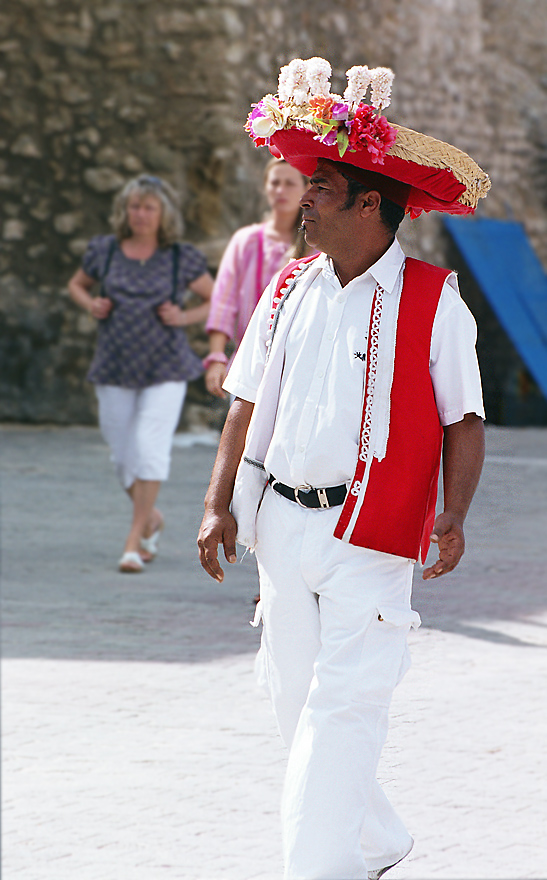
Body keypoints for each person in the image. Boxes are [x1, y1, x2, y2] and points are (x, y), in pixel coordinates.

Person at [197, 58, 491, 879]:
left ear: (370, 204)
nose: (302, 198)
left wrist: (453, 513)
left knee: (342, 710)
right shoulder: (287, 288)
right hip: (283, 524)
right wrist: (219, 502)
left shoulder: (436, 298)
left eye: (321, 186)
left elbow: (462, 420)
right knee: (294, 703)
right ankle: (374, 838)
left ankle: (319, 868)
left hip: (373, 532)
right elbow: (245, 400)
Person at [69, 174, 214, 573]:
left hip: (164, 366)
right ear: (125, 211)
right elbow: (77, 286)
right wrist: (91, 304)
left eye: (149, 207)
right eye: (135, 206)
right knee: (122, 455)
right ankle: (151, 517)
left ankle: (134, 541)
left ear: (162, 213)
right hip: (114, 364)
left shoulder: (179, 256)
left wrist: (183, 315)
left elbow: (214, 298)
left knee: (148, 447)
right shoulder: (106, 251)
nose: (141, 214)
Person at [203, 157, 312, 399]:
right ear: (265, 187)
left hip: (299, 371)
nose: (280, 190)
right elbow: (224, 301)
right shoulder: (246, 241)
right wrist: (217, 357)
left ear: (306, 189)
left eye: (289, 183)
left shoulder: (317, 246)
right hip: (248, 367)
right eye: (275, 183)